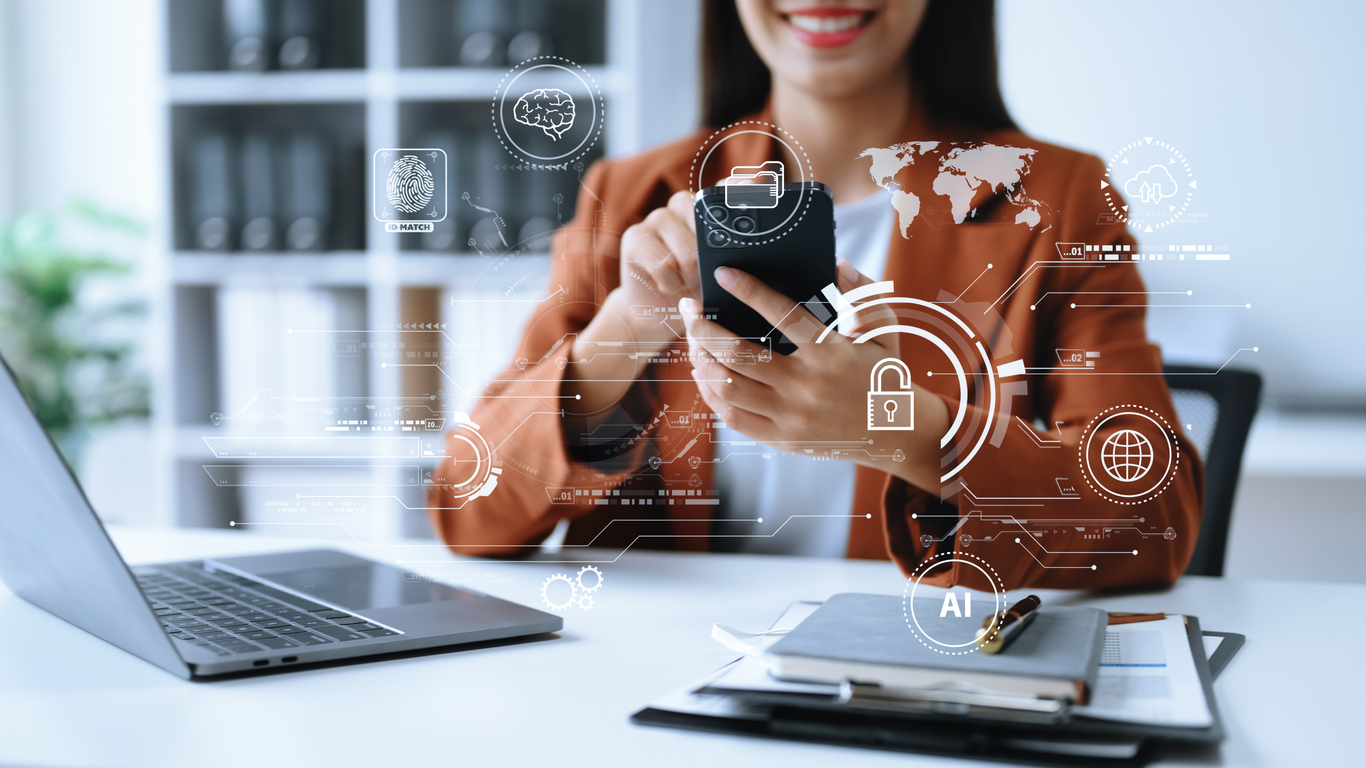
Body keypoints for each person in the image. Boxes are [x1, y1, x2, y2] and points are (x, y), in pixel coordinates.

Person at [428, 0, 1203, 590]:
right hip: (659, 688)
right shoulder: (635, 195)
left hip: (903, 689)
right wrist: (627, 325)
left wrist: (909, 434)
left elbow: (1155, 518)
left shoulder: (1058, 199)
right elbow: (469, 509)